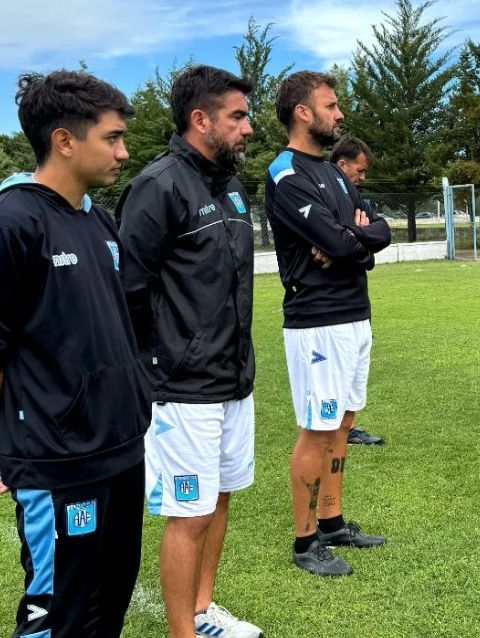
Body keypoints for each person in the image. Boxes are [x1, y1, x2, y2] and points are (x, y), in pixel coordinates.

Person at [0, 70, 150, 638]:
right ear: (64, 140)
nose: (123, 152)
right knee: (56, 616)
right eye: (112, 138)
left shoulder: (97, 218)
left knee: (106, 610)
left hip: (119, 448)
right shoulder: (14, 221)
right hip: (56, 460)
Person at [116, 65, 261, 638]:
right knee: (189, 513)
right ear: (201, 120)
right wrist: (157, 365)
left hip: (234, 379)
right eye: (237, 116)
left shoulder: (231, 186)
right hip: (181, 388)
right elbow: (128, 290)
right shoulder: (158, 185)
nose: (248, 127)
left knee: (219, 498)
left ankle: (202, 613)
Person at [265, 71, 392, 577]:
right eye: (331, 106)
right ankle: (305, 541)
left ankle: (333, 521)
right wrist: (348, 240)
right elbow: (343, 240)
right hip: (316, 322)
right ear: (303, 112)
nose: (339, 114)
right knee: (317, 429)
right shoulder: (286, 174)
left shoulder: (335, 174)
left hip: (355, 315)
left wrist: (350, 242)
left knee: (343, 422)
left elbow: (376, 234)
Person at [330, 136, 385, 446]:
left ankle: (347, 429)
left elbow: (382, 232)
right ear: (342, 165)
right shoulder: (324, 196)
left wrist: (353, 237)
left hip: (357, 305)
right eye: (360, 170)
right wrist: (361, 237)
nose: (362, 178)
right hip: (329, 310)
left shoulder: (354, 198)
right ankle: (334, 430)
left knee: (353, 377)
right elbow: (336, 244)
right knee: (334, 379)